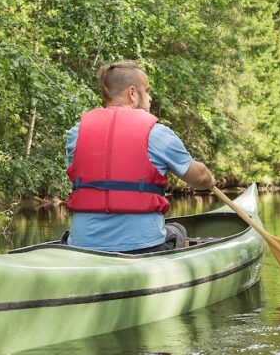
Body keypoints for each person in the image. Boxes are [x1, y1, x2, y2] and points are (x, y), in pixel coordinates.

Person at [65, 61, 215, 253]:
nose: (151, 98)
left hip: (82, 246)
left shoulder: (76, 133)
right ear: (133, 93)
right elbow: (200, 177)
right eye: (147, 91)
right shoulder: (157, 133)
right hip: (142, 248)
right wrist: (211, 180)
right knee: (177, 230)